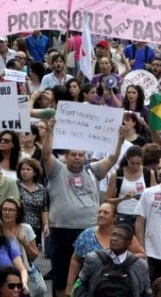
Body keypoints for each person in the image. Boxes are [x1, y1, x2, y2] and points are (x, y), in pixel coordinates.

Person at [42, 116, 122, 297]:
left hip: (89, 231)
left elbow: (112, 158)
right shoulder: (57, 170)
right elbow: (46, 155)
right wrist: (50, 131)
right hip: (61, 230)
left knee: (90, 274)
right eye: (73, 154)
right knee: (61, 274)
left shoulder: (92, 170)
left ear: (85, 157)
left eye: (81, 155)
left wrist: (120, 139)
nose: (77, 158)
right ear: (66, 156)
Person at [72, 219, 151, 297]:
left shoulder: (140, 265)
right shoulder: (94, 258)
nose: (115, 239)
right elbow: (80, 284)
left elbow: (146, 292)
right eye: (113, 235)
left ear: (129, 243)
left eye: (120, 236)